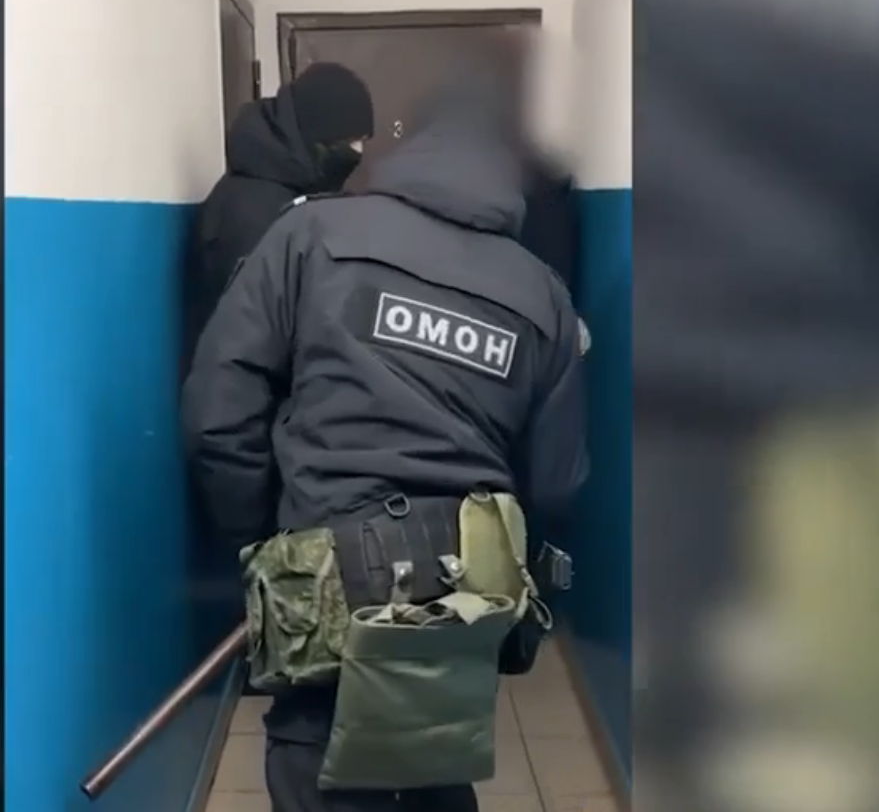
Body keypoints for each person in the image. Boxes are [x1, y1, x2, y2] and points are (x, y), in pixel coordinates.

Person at [182, 70, 589, 812]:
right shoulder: (543, 296)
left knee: (318, 762)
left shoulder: (309, 235)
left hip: (325, 565)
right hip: (464, 584)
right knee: (434, 755)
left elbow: (219, 410)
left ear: (411, 147)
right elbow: (557, 481)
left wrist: (264, 542)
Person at [182, 62, 374, 373]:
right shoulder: (254, 213)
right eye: (350, 141)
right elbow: (250, 336)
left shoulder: (273, 193)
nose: (358, 152)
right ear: (317, 137)